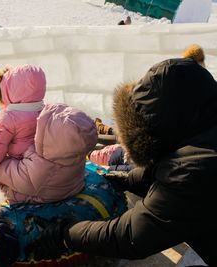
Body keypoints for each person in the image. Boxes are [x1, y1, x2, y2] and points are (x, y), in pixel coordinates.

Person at [25, 58, 217, 266]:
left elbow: (132, 236)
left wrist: (66, 234)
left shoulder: (196, 168)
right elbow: (166, 175)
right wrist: (126, 179)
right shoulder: (200, 140)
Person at [0, 65, 98, 204]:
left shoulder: (9, 118)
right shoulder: (47, 114)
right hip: (66, 186)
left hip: (30, 184)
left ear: (9, 91)